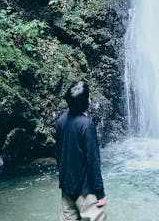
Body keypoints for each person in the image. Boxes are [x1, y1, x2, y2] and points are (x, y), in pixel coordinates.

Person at [56, 81, 107, 221]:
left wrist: (64, 181)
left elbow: (59, 155)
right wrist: (100, 193)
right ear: (86, 101)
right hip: (85, 191)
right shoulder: (86, 125)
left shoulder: (61, 121)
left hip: (67, 188)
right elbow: (93, 160)